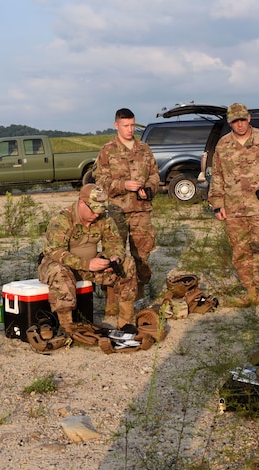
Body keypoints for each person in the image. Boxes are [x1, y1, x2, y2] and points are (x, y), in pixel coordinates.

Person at [208, 103, 259, 316]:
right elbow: (217, 177)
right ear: (229, 122)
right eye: (235, 121)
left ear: (249, 118)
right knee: (240, 253)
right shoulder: (223, 146)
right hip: (234, 210)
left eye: (243, 119)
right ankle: (251, 292)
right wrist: (217, 203)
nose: (240, 124)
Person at [38, 184, 138, 332]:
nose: (96, 215)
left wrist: (114, 257)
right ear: (81, 203)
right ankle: (67, 327)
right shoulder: (63, 218)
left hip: (91, 266)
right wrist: (86, 264)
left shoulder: (103, 217)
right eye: (93, 210)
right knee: (59, 271)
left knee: (127, 263)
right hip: (61, 265)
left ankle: (125, 322)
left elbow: (114, 242)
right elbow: (55, 251)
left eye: (100, 210)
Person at [93, 108, 159, 309]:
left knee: (142, 255)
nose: (130, 129)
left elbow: (155, 175)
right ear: (116, 125)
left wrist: (148, 189)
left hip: (141, 210)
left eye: (132, 125)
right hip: (116, 212)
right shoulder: (108, 150)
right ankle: (113, 301)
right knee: (114, 255)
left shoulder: (144, 149)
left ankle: (138, 297)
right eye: (125, 126)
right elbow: (100, 180)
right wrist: (123, 185)